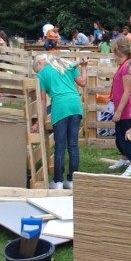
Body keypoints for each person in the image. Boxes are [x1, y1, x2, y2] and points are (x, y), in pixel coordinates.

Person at [32, 53, 86, 189]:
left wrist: (39, 120)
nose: (37, 72)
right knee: (73, 145)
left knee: (60, 146)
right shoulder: (66, 66)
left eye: (36, 69)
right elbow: (83, 82)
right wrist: (84, 67)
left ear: (39, 63)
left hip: (60, 107)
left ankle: (58, 181)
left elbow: (43, 100)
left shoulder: (42, 74)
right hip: (75, 105)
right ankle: (72, 180)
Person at [108, 37, 131, 176]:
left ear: (118, 50)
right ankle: (125, 158)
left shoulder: (126, 67)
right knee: (120, 138)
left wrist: (119, 111)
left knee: (127, 137)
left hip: (127, 109)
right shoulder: (124, 64)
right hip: (122, 107)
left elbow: (127, 90)